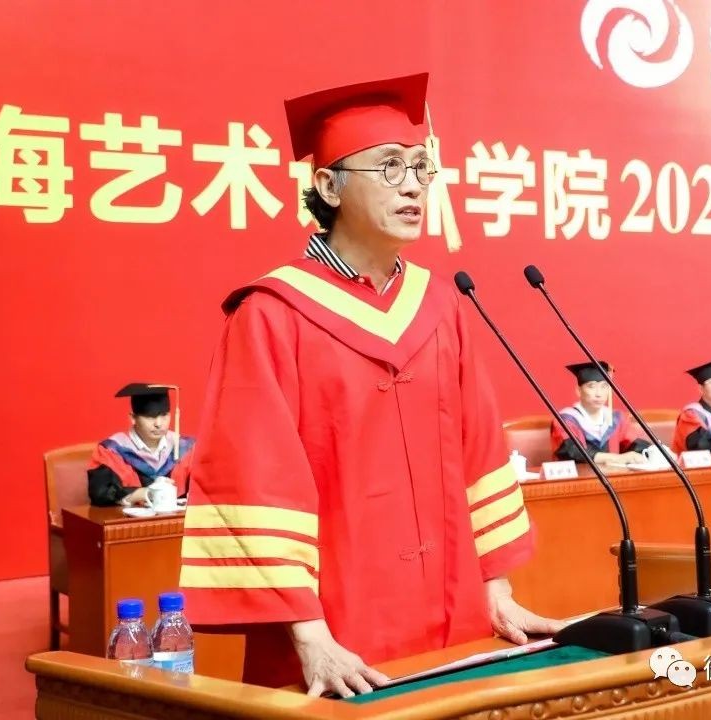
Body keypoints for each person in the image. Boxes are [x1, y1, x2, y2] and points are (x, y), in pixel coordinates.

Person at [179, 73, 560, 697]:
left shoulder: (440, 305)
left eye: (421, 167)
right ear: (329, 186)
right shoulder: (271, 315)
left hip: (454, 615)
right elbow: (252, 478)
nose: (412, 185)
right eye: (388, 166)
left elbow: (479, 450)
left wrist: (496, 588)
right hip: (338, 630)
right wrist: (310, 636)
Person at [87, 383, 194, 507]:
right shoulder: (110, 451)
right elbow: (99, 493)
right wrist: (142, 493)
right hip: (127, 519)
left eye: (164, 415)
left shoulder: (186, 448)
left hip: (177, 518)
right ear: (133, 418)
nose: (159, 424)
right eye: (150, 417)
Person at [550, 361, 650, 464]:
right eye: (591, 386)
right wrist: (615, 458)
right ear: (578, 390)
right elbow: (570, 450)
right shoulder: (566, 419)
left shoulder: (617, 418)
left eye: (604, 386)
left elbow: (636, 443)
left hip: (613, 473)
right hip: (580, 473)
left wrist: (649, 452)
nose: (599, 394)